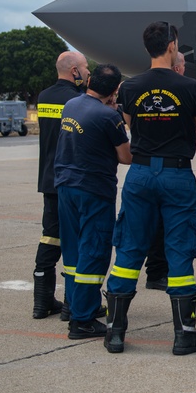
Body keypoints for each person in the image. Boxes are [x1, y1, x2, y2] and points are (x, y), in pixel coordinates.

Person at [105, 21, 196, 355]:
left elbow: (130, 124)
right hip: (176, 174)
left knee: (130, 248)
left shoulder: (130, 87)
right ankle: (184, 333)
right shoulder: (190, 86)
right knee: (179, 247)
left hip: (140, 174)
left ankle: (115, 331)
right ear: (171, 46)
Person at [54, 64, 131, 339]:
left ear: (89, 81)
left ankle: (74, 306)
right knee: (94, 251)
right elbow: (126, 157)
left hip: (65, 185)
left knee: (73, 251)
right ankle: (83, 320)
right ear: (114, 91)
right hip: (93, 190)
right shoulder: (108, 117)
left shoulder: (71, 105)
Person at [33, 51, 87, 321]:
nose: (88, 73)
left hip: (48, 178)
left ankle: (41, 303)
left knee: (49, 237)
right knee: (74, 241)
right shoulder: (77, 100)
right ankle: (72, 305)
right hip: (71, 179)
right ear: (75, 71)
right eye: (86, 68)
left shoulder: (43, 97)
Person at [143, 48, 187, 292]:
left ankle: (155, 271)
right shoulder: (186, 88)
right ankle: (162, 273)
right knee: (174, 226)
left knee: (147, 225)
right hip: (173, 168)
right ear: (178, 68)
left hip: (143, 169)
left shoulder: (136, 86)